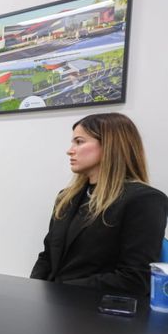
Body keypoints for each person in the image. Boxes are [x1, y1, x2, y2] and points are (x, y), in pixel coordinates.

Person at [31, 113, 168, 296]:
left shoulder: (144, 200)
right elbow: (47, 256)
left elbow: (134, 279)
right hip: (54, 302)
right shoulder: (66, 198)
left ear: (110, 145)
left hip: (97, 307)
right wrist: (32, 290)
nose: (70, 150)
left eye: (79, 142)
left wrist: (61, 292)